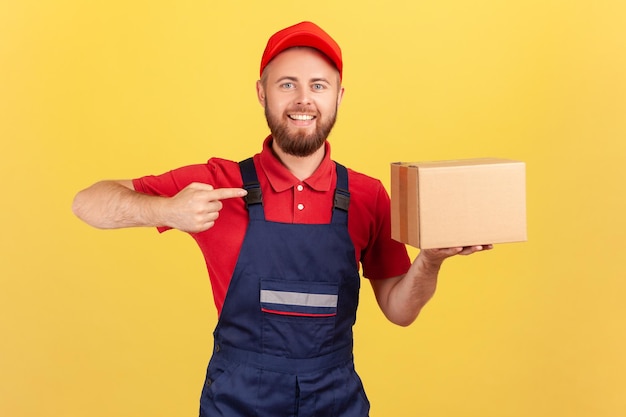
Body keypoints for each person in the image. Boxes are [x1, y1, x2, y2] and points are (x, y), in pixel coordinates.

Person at [72, 21, 491, 417]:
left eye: (318, 86)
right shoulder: (218, 183)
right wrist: (166, 210)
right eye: (287, 84)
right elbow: (87, 203)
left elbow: (400, 311)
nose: (303, 100)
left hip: (335, 399)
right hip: (237, 401)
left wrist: (431, 260)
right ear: (262, 93)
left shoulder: (368, 196)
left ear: (339, 96)